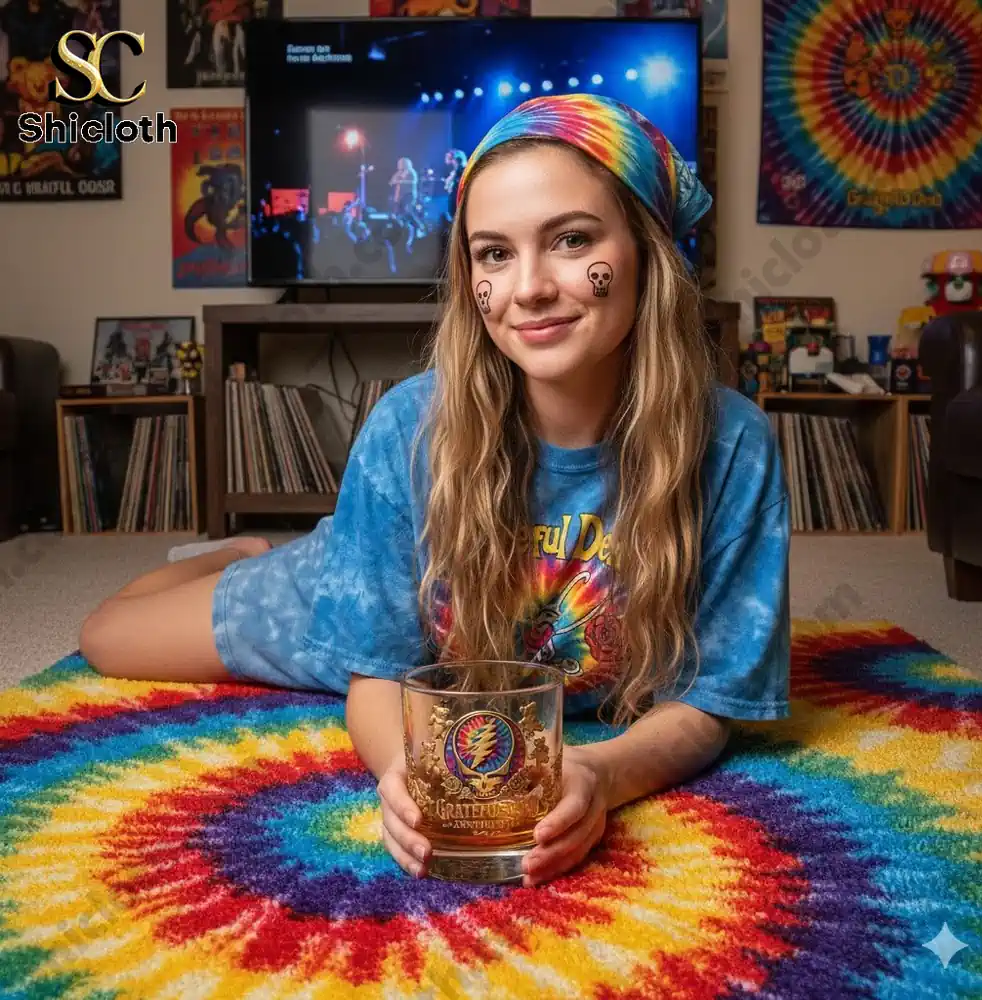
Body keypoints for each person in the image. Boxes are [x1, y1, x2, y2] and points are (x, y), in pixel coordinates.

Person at [79, 93, 790, 889]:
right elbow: (377, 678)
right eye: (494, 254)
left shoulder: (733, 445)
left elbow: (713, 701)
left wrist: (604, 772)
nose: (528, 288)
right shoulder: (408, 429)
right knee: (107, 636)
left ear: (646, 250)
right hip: (359, 587)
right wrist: (410, 775)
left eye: (571, 240)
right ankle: (241, 554)